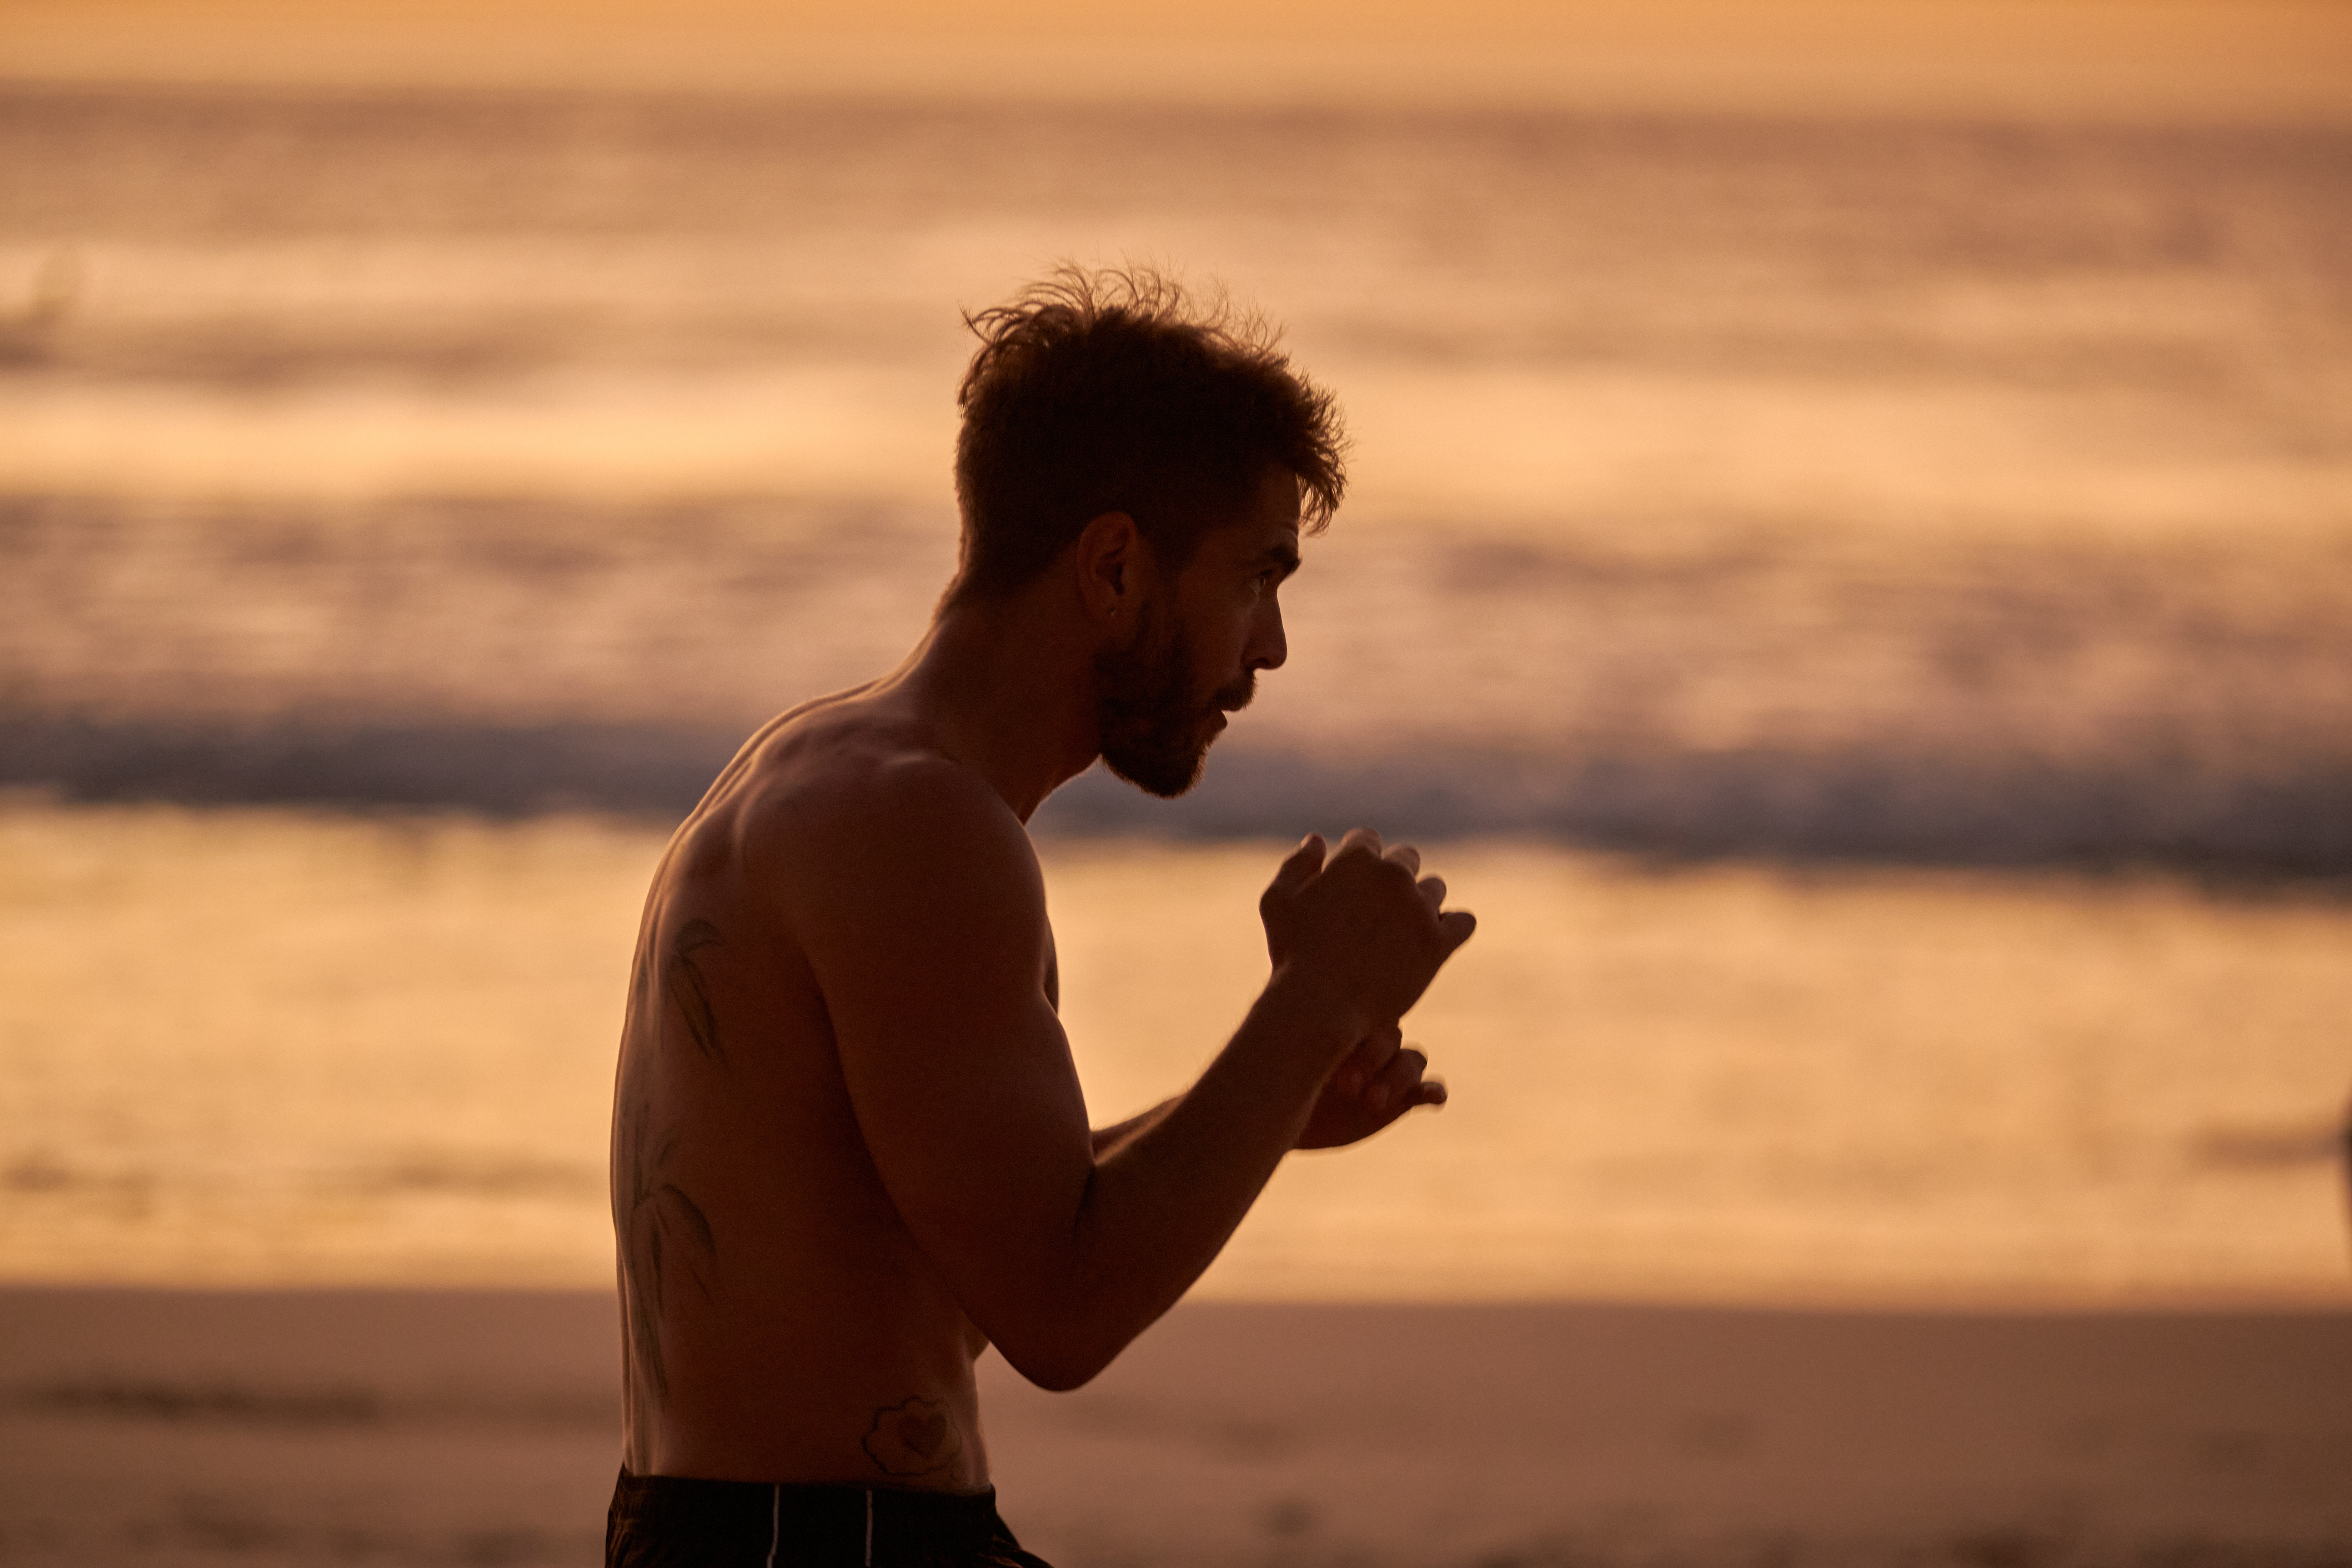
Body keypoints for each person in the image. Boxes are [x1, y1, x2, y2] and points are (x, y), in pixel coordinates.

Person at [604, 266, 1476, 1567]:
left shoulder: (828, 770)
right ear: (1115, 566)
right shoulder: (920, 830)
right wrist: (1311, 1006)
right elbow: (1059, 1315)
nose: (1275, 646)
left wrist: (1262, 1110)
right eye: (1255, 578)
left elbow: (938, 1233)